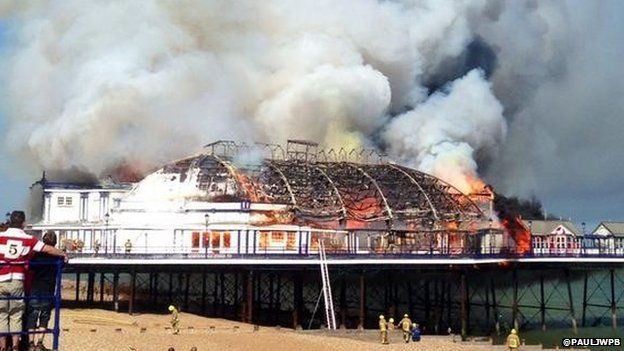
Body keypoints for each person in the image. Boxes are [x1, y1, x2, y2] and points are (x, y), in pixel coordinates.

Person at [0, 211, 67, 351]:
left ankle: (2, 347)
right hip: (17, 279)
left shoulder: (1, 236)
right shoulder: (28, 239)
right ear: (23, 223)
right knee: (16, 315)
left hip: (1, 278)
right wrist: (63, 253)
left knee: (2, 315)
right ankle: (15, 346)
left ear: (10, 221)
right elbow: (47, 249)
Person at [25, 231, 60, 351]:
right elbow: (63, 265)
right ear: (55, 242)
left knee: (32, 315)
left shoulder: (37, 256)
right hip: (49, 288)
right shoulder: (57, 256)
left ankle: (30, 343)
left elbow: (29, 267)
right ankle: (40, 342)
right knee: (45, 316)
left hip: (36, 287)